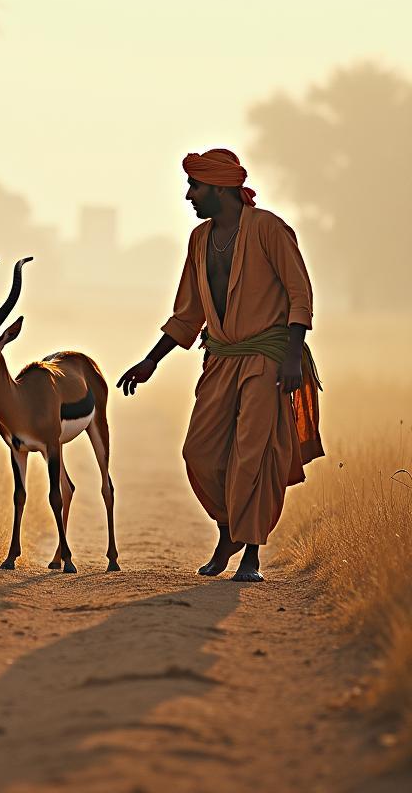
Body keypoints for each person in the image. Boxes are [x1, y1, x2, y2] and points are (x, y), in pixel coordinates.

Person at [117, 149, 324, 581]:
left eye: (195, 186)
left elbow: (299, 294)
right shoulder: (199, 239)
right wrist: (150, 361)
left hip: (268, 355)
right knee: (200, 451)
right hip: (220, 357)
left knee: (253, 453)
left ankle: (250, 555)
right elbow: (189, 313)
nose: (189, 195)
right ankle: (228, 530)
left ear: (220, 188)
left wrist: (290, 357)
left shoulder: (268, 228)